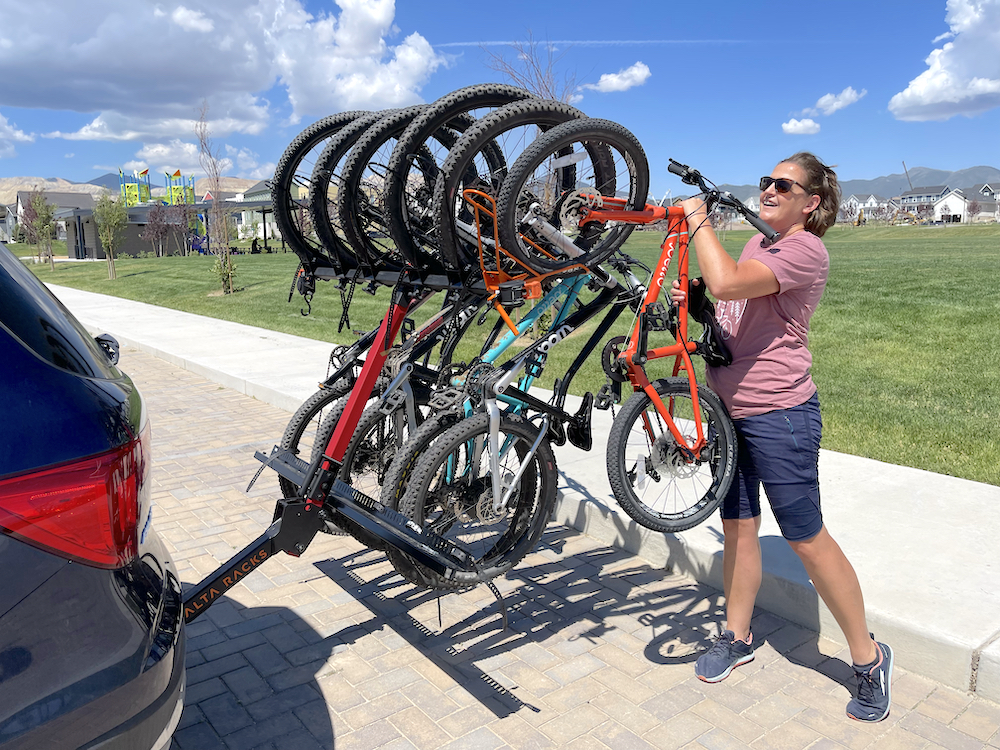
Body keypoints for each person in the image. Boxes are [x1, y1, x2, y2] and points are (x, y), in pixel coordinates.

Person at [671, 152, 893, 722]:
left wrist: (698, 221)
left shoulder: (805, 249)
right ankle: (737, 636)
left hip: (780, 413)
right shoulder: (756, 245)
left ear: (810, 201)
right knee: (739, 526)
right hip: (729, 410)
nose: (768, 188)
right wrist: (702, 307)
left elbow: (724, 281)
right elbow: (731, 307)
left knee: (805, 535)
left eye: (782, 184)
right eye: (766, 180)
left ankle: (868, 660)